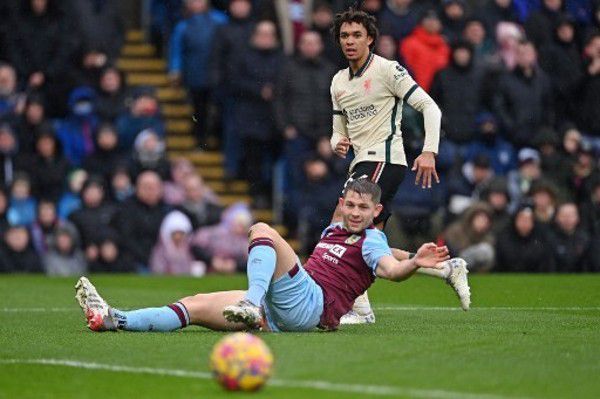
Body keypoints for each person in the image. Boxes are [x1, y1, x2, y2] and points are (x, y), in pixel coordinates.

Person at [76, 179, 470, 333]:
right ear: (342, 203)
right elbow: (389, 255)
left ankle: (252, 301)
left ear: (375, 215)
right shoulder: (335, 231)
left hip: (312, 305)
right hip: (287, 313)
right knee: (193, 305)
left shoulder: (370, 241)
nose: (354, 212)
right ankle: (113, 319)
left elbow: (389, 268)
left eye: (362, 210)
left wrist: (414, 264)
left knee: (262, 230)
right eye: (349, 205)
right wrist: (415, 256)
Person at [329, 9, 444, 324]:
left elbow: (430, 107)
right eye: (344, 36)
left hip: (384, 158)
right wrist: (335, 142)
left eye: (356, 35)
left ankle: (360, 309)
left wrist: (429, 151)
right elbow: (339, 130)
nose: (350, 41)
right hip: (361, 160)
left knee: (344, 224)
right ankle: (445, 268)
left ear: (369, 39)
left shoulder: (388, 70)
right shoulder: (338, 81)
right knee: (369, 241)